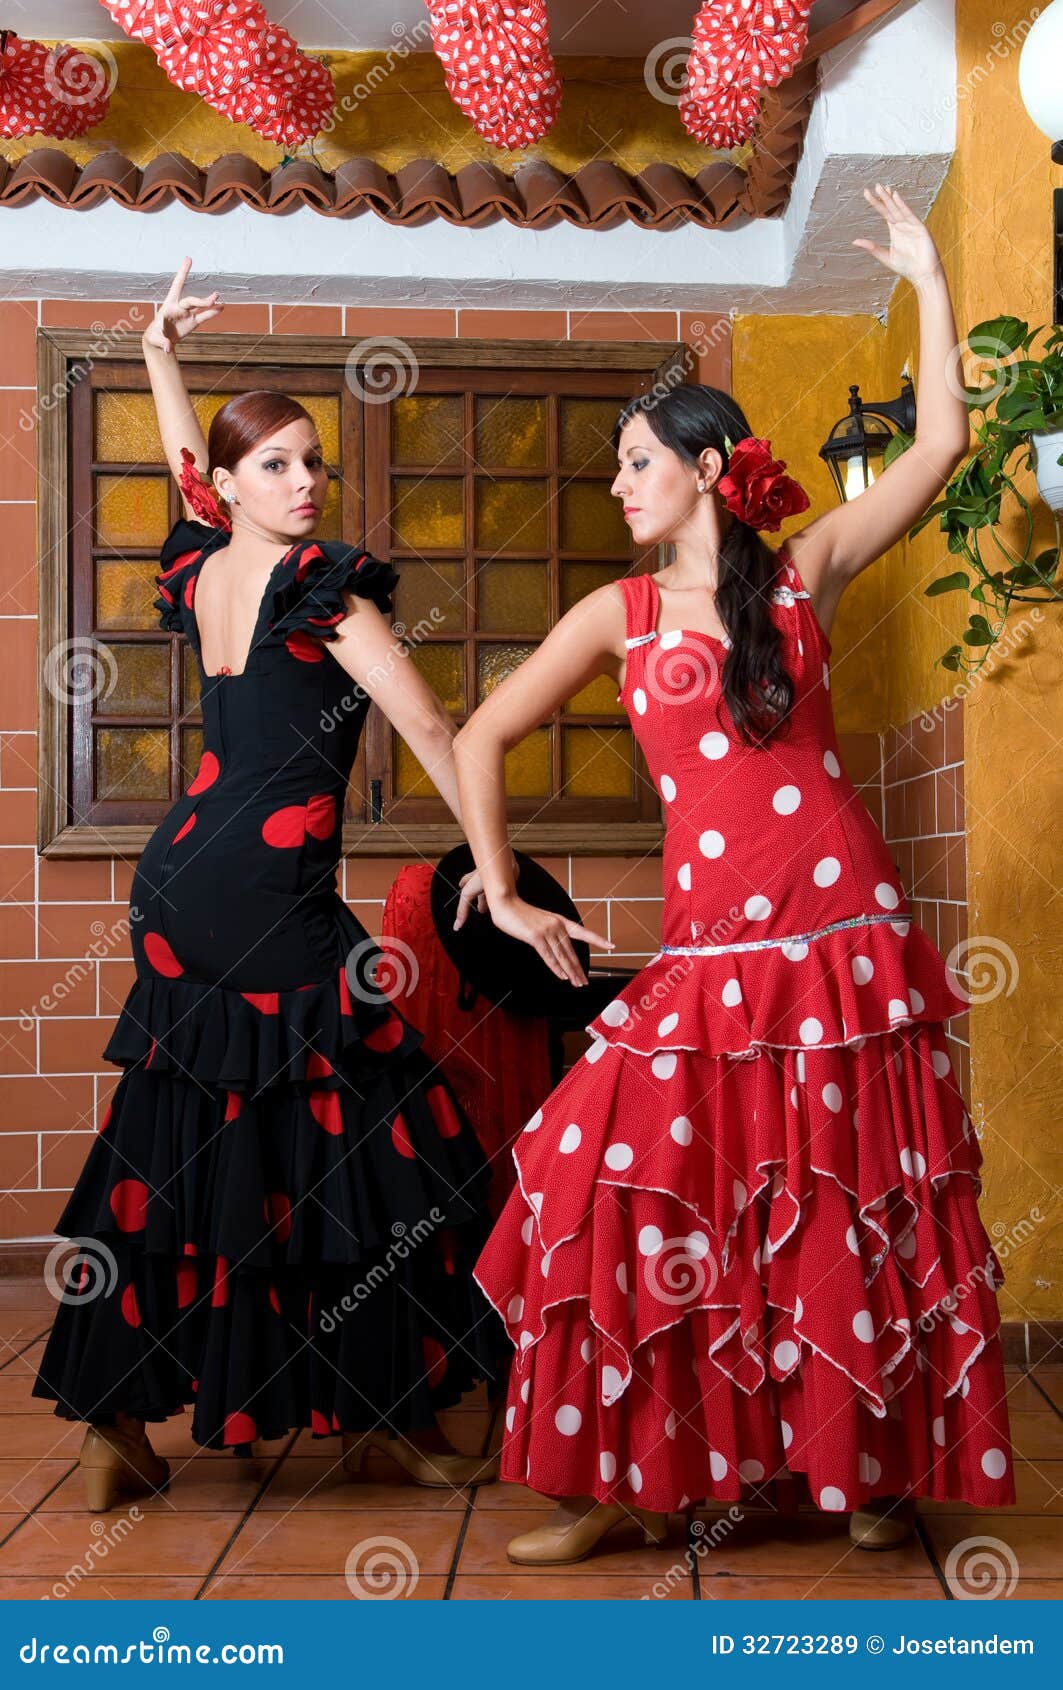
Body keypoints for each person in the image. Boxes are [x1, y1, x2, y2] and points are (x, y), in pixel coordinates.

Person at [454, 185, 1017, 1564]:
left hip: (838, 932)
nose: (616, 484)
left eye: (635, 461)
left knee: (845, 1191)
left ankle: (873, 1467)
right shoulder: (615, 614)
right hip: (708, 946)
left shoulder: (801, 571)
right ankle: (632, 1483)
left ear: (706, 468)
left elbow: (939, 442)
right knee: (634, 1186)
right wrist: (505, 886)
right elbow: (478, 732)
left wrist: (928, 276)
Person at [32, 259, 509, 1511]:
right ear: (240, 487)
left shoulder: (209, 570)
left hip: (179, 890)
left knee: (181, 1142)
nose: (303, 482)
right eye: (280, 465)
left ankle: (119, 1429)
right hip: (268, 897)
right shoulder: (328, 595)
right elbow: (439, 741)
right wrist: (501, 881)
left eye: (313, 464)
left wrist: (154, 355)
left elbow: (190, 472)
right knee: (380, 1141)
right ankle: (381, 1416)